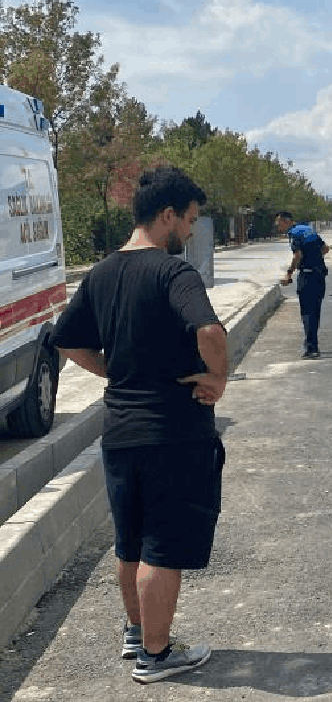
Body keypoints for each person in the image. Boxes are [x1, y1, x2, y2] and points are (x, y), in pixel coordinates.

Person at [52, 166, 227, 684]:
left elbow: (68, 341)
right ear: (167, 215)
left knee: (129, 541)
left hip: (121, 431)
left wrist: (115, 371)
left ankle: (135, 633)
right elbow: (210, 331)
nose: (191, 233)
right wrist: (217, 378)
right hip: (171, 432)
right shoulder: (175, 274)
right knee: (162, 546)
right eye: (190, 221)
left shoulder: (102, 273)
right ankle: (157, 655)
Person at [277, 211, 329, 359]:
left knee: (307, 313)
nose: (278, 226)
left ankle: (312, 349)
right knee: (315, 312)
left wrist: (289, 274)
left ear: (286, 221)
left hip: (307, 276)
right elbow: (325, 249)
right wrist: (314, 258)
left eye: (279, 223)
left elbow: (297, 255)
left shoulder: (294, 233)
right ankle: (313, 345)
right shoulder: (308, 230)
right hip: (320, 275)